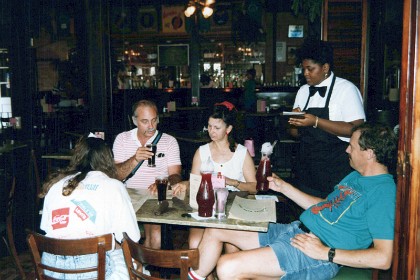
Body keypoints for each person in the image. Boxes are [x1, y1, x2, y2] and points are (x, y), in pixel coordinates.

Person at [187, 123, 397, 280]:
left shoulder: (383, 192)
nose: (347, 150)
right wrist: (284, 187)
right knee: (215, 229)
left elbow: (383, 258)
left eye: (351, 146)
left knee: (226, 267)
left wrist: (326, 252)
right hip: (295, 230)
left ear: (369, 153)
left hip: (316, 251)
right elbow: (326, 206)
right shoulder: (356, 176)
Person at [39, 133, 141, 279]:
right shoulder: (114, 186)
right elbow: (132, 237)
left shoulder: (56, 185)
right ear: (107, 160)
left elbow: (47, 228)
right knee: (135, 264)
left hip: (52, 268)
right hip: (91, 270)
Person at [173, 101, 257, 249]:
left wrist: (231, 181)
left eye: (217, 127)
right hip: (207, 206)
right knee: (195, 243)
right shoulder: (202, 151)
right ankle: (206, 273)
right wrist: (185, 183)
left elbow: (254, 188)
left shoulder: (241, 153)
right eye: (209, 126)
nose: (211, 131)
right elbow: (195, 182)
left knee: (232, 248)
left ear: (228, 129)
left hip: (234, 208)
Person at [289, 39, 366, 198]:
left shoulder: (346, 90)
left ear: (325, 67)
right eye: (303, 69)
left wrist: (316, 121)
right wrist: (295, 122)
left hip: (336, 168)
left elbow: (355, 129)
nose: (305, 74)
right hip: (307, 167)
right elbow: (294, 133)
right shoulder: (303, 91)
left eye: (310, 69)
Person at [112, 99, 182, 249]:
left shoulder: (169, 141)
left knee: (156, 238)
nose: (151, 126)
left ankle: (141, 269)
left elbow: (176, 175)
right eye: (144, 121)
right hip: (127, 196)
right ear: (134, 121)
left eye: (154, 120)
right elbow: (115, 176)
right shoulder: (122, 139)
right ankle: (131, 268)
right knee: (120, 239)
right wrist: (135, 159)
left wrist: (165, 183)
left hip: (154, 197)